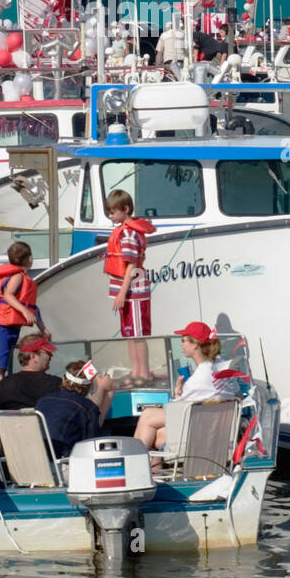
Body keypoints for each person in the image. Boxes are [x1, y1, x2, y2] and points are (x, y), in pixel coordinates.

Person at [133, 322, 242, 452]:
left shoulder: (197, 379)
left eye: (183, 340)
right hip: (220, 432)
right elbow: (238, 395)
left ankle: (134, 458)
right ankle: (148, 467)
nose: (181, 344)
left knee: (147, 415)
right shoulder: (224, 368)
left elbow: (177, 413)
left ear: (195, 344)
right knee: (159, 434)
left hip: (200, 434)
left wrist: (178, 392)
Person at [104, 189, 156, 384]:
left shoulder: (128, 233)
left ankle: (143, 373)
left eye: (113, 212)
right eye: (109, 213)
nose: (111, 216)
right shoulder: (124, 231)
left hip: (134, 290)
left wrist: (121, 294)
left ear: (125, 209)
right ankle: (136, 371)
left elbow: (131, 265)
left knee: (138, 334)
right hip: (128, 290)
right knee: (130, 333)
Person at [0, 240, 49, 391]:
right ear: (30, 259)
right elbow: (8, 295)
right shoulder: (17, 277)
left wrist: (42, 328)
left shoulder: (24, 279)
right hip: (1, 327)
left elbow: (33, 308)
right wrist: (24, 311)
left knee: (4, 365)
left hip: (12, 327)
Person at [35, 361, 115, 458]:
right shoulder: (86, 408)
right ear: (88, 387)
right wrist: (106, 390)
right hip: (64, 464)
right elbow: (91, 444)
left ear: (64, 379)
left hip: (39, 461)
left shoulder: (43, 401)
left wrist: (103, 389)